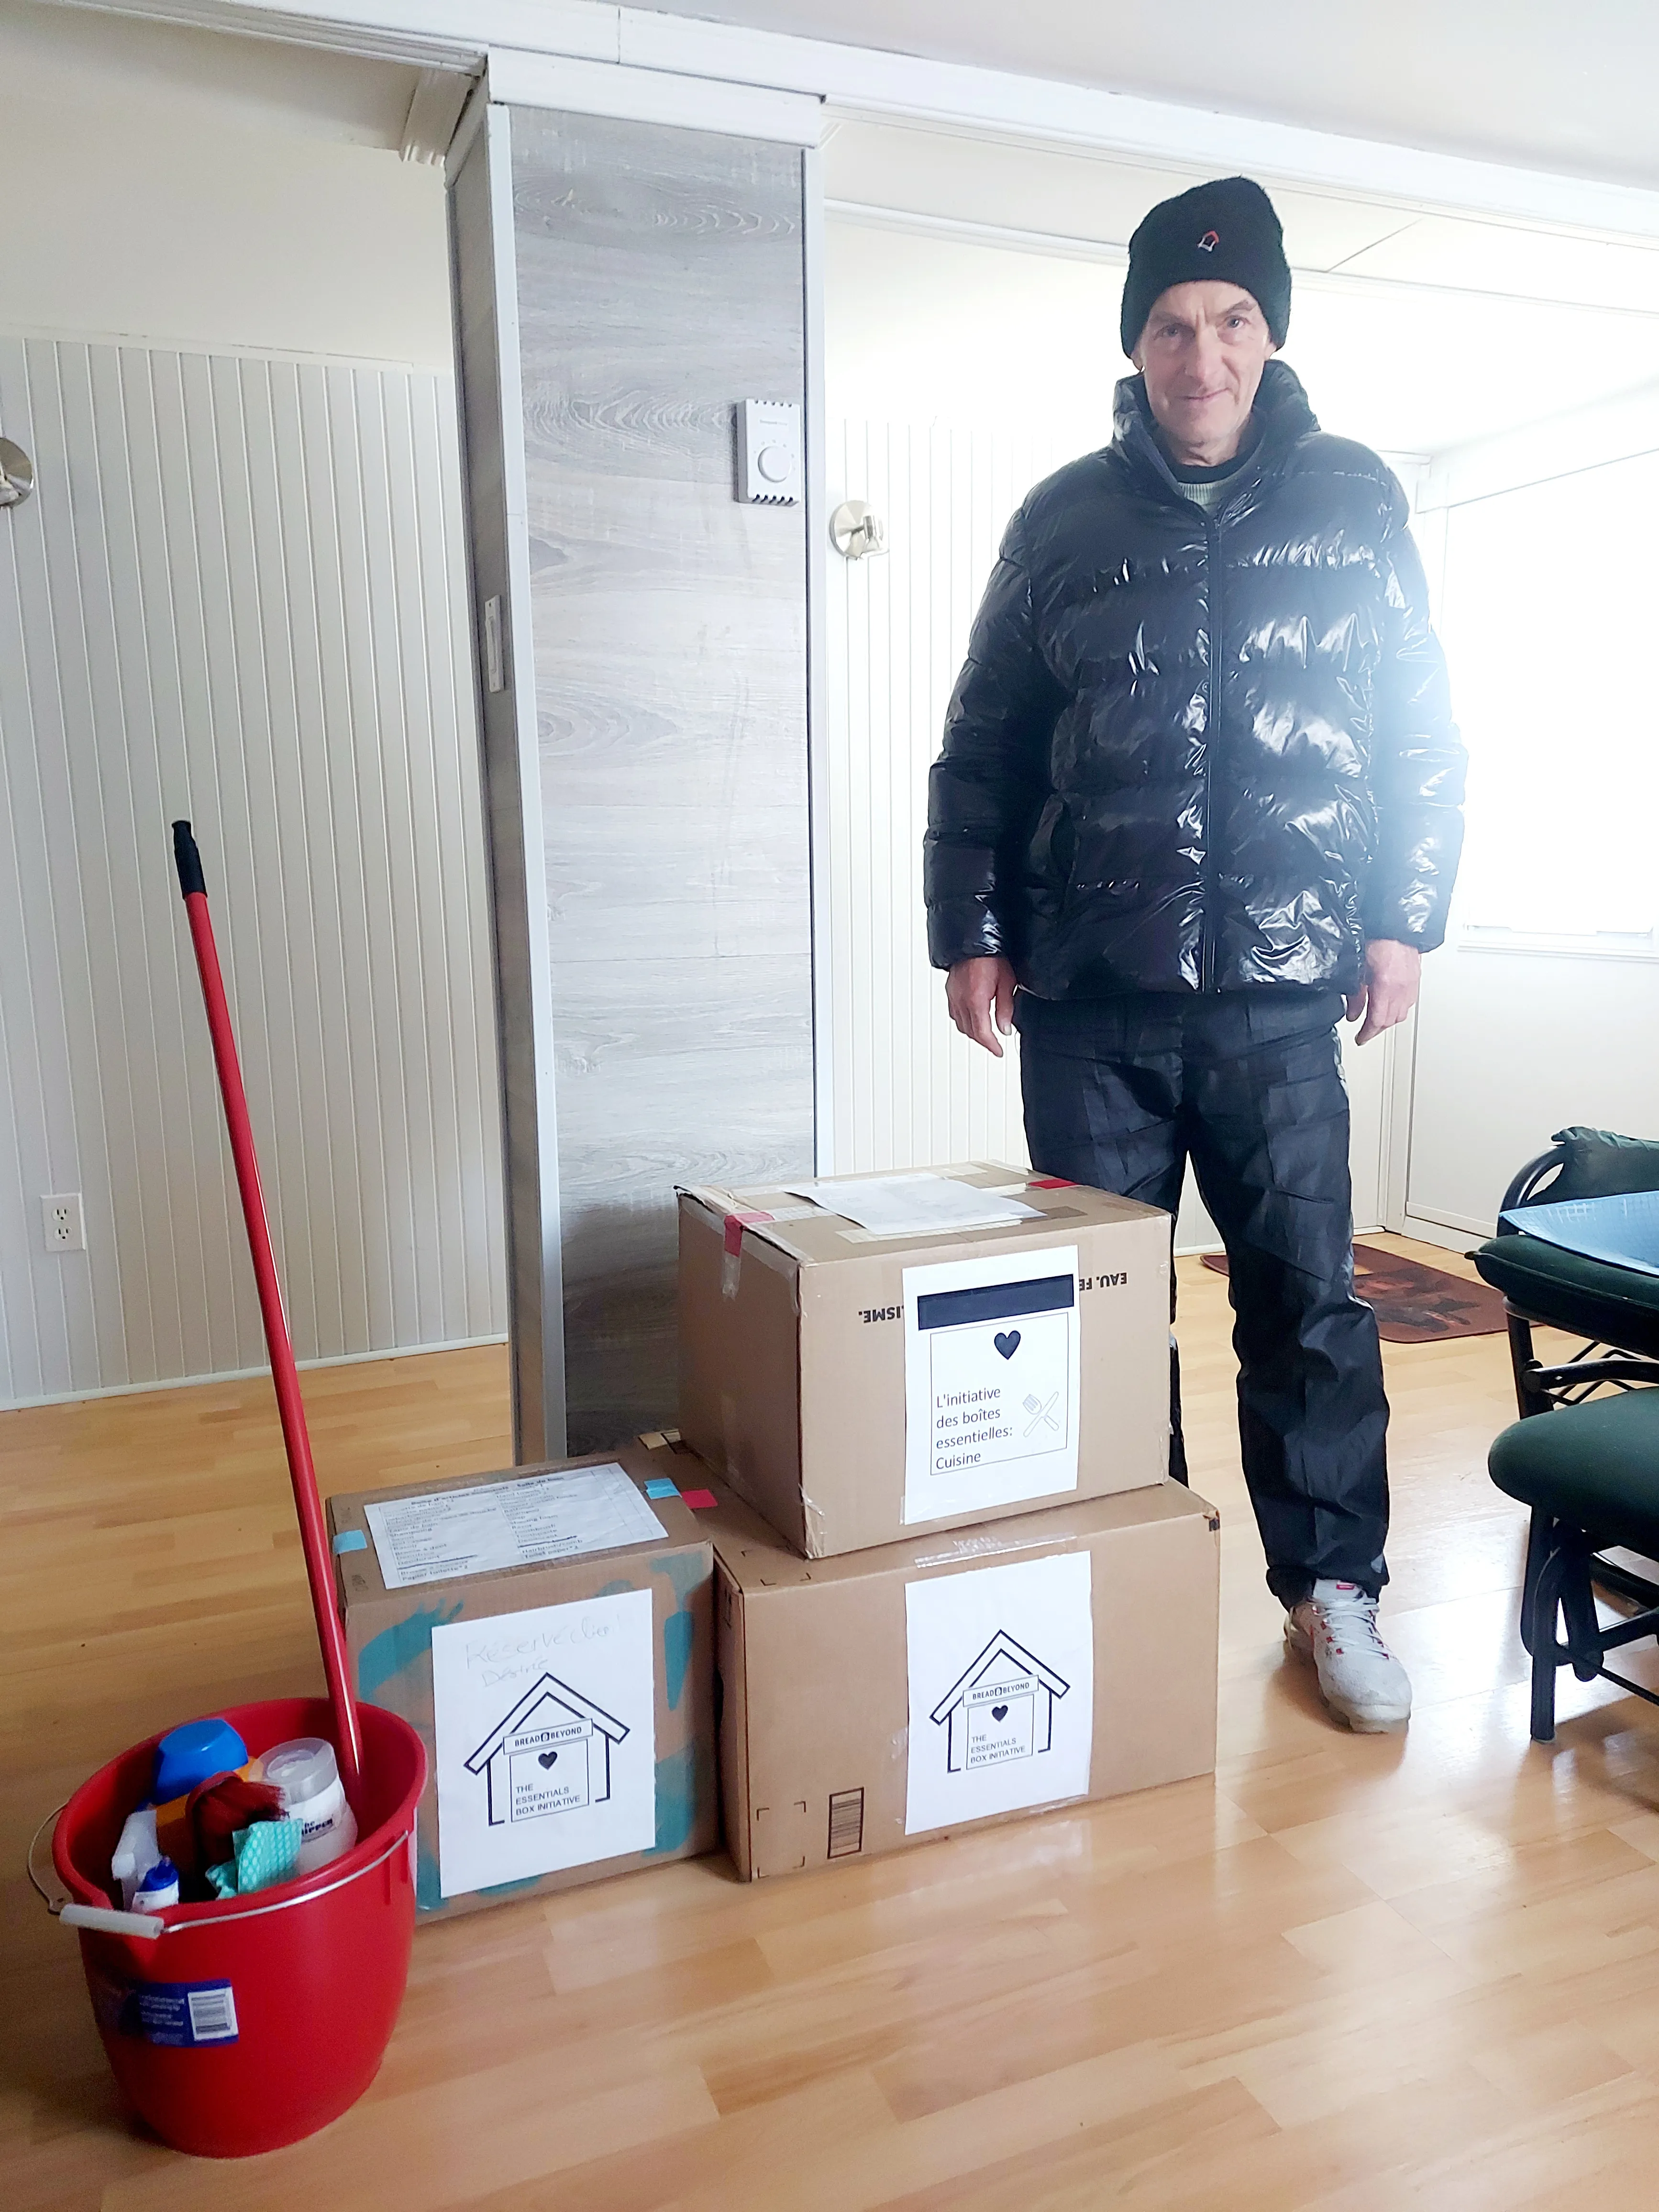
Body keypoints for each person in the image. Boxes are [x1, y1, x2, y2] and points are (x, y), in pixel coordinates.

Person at [924, 176, 1465, 1733]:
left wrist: (1398, 918)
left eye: (1230, 321)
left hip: (1283, 995)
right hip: (1087, 996)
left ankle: (1332, 1594)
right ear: (1136, 346)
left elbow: (1419, 738)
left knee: (1304, 1300)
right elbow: (983, 746)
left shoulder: (1356, 500)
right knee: (1099, 1304)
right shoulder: (1060, 518)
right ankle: (1129, 1584)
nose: (1202, 354)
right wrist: (969, 934)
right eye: (1171, 324)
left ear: (1270, 332)